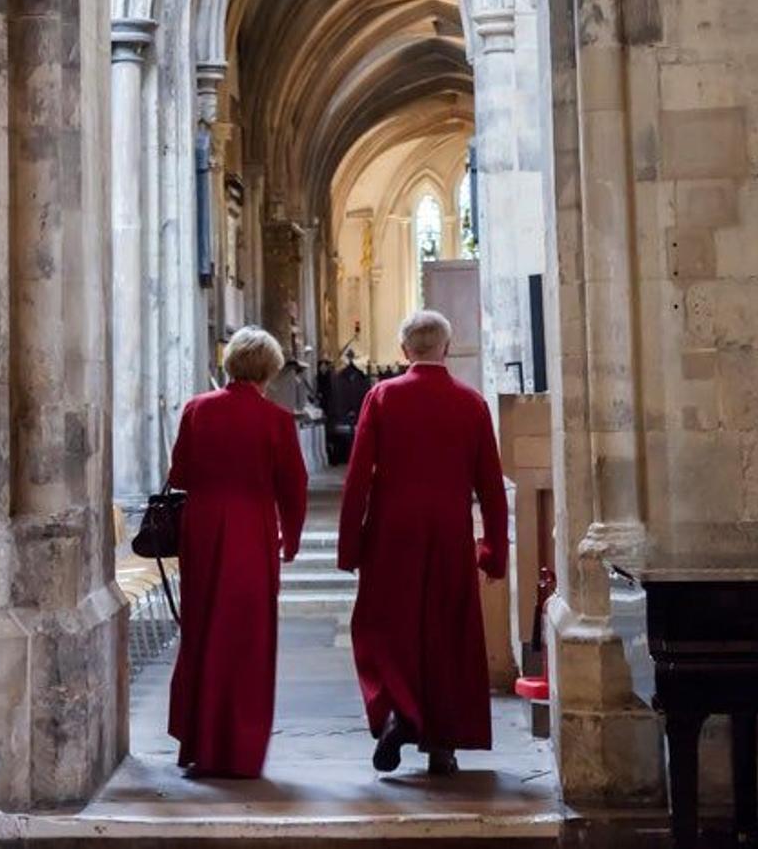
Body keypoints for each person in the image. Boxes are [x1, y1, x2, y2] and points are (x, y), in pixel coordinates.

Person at [337, 308, 508, 777]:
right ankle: (442, 746)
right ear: (446, 349)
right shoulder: (472, 404)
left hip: (392, 531)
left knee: (382, 628)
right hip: (451, 532)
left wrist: (349, 546)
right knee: (446, 634)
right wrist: (494, 551)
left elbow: (357, 482)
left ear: (403, 351)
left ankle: (396, 711)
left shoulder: (383, 397)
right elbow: (492, 488)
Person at [167, 324, 308, 778]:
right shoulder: (277, 421)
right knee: (248, 639)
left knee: (203, 630)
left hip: (204, 528)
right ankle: (241, 749)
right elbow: (294, 486)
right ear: (270, 370)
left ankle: (200, 743)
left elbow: (181, 472)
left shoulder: (197, 409)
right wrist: (293, 537)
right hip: (253, 530)